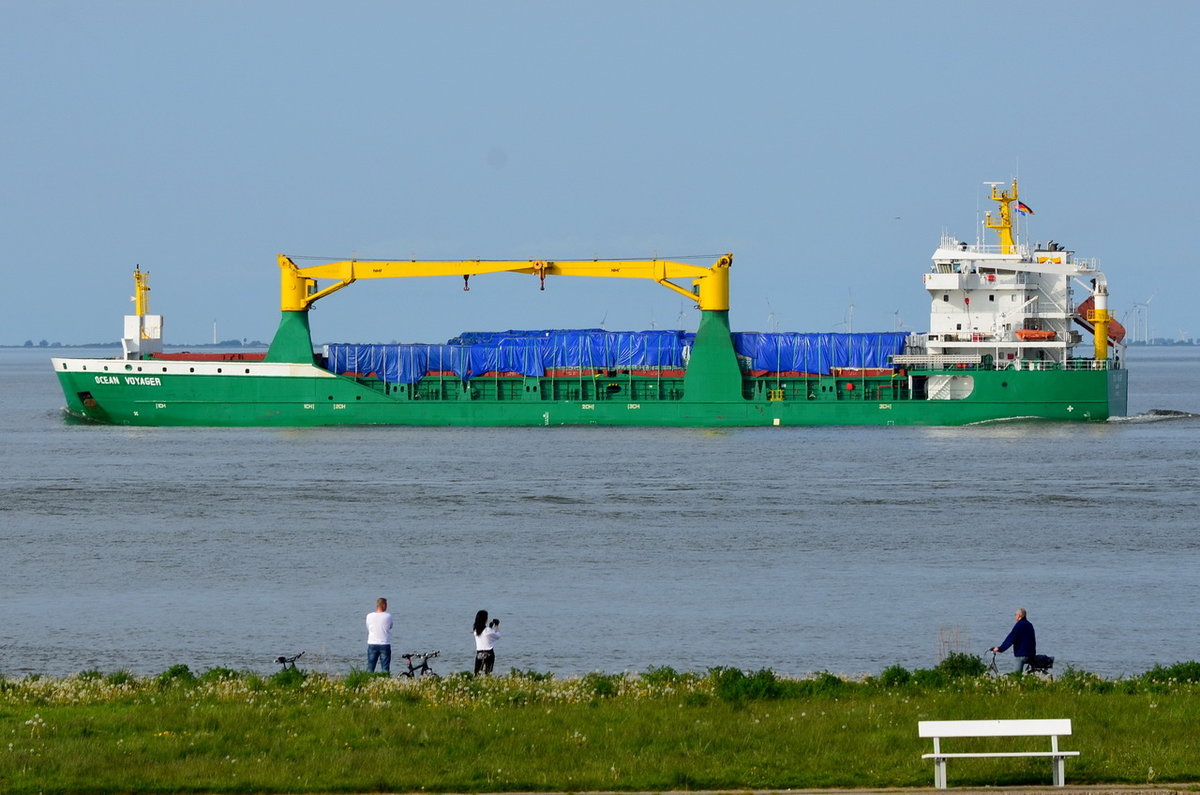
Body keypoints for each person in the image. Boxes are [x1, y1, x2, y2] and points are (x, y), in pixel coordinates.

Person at [991, 607, 1035, 674]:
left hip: (1022, 654)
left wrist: (1000, 649)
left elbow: (1010, 639)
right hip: (1031, 654)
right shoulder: (1029, 625)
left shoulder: (1019, 625)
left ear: (1019, 616)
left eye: (1015, 614)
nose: (1014, 616)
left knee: (1016, 675)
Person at [366, 597, 393, 674]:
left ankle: (368, 682)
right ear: (384, 605)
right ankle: (385, 682)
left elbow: (369, 627)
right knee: (385, 668)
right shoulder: (388, 616)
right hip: (384, 644)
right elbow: (390, 626)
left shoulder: (369, 616)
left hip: (372, 643)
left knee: (370, 667)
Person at [473, 609, 500, 675]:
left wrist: (490, 627)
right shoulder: (487, 630)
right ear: (485, 619)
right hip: (489, 653)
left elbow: (485, 636)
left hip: (479, 653)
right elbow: (498, 635)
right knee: (488, 673)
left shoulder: (476, 631)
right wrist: (496, 625)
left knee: (477, 673)